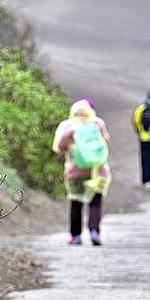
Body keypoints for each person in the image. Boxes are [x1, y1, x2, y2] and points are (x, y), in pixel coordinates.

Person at [53, 100, 112, 246]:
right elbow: (106, 142)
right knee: (96, 202)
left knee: (76, 202)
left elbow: (59, 147)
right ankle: (94, 232)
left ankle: (76, 235)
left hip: (75, 171)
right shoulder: (98, 123)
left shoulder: (68, 125)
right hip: (98, 170)